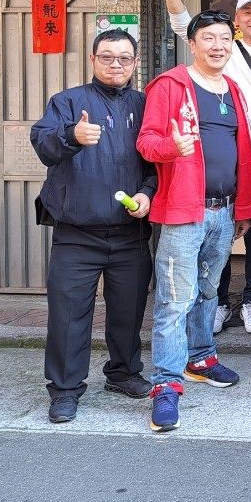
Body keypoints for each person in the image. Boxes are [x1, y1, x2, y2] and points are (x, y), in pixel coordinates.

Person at [150, 0, 251, 337]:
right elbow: (183, 23)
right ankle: (220, 302)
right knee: (221, 235)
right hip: (224, 162)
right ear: (238, 18)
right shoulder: (223, 49)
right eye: (247, 12)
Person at [136, 10, 251, 433]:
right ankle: (166, 384)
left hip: (224, 211)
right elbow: (146, 142)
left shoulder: (232, 88)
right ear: (192, 44)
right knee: (175, 298)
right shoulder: (171, 85)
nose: (218, 45)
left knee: (208, 290)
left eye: (225, 38)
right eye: (208, 37)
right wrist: (172, 147)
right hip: (184, 211)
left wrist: (243, 208)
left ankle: (201, 357)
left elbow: (242, 151)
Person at [31, 29, 156, 423]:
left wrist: (148, 194)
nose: (115, 64)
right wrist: (72, 135)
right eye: (106, 57)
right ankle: (65, 390)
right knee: (68, 315)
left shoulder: (145, 104)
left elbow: (156, 164)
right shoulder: (68, 102)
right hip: (76, 235)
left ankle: (123, 373)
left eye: (124, 58)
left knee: (128, 311)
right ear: (92, 60)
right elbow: (43, 145)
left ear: (135, 63)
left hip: (130, 232)